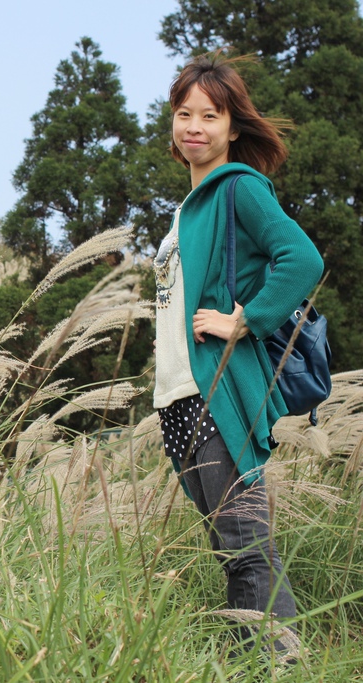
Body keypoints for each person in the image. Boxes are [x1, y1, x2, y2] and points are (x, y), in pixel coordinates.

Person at [152, 50, 324, 650]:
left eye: (210, 115)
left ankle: (277, 664)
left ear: (232, 126)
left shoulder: (238, 188)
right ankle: (265, 660)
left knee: (246, 548)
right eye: (183, 113)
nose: (193, 125)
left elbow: (302, 259)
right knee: (233, 553)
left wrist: (244, 321)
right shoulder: (185, 210)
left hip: (218, 390)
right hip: (178, 397)